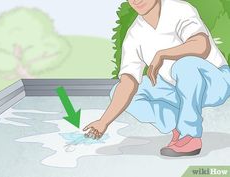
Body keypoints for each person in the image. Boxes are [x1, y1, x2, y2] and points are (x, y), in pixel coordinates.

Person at [83, 0, 230, 157]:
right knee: (123, 92)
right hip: (175, 88)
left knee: (184, 65)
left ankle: (190, 135)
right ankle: (177, 127)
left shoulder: (179, 9)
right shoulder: (134, 34)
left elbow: (201, 46)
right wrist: (103, 121)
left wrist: (162, 54)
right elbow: (128, 82)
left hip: (215, 82)